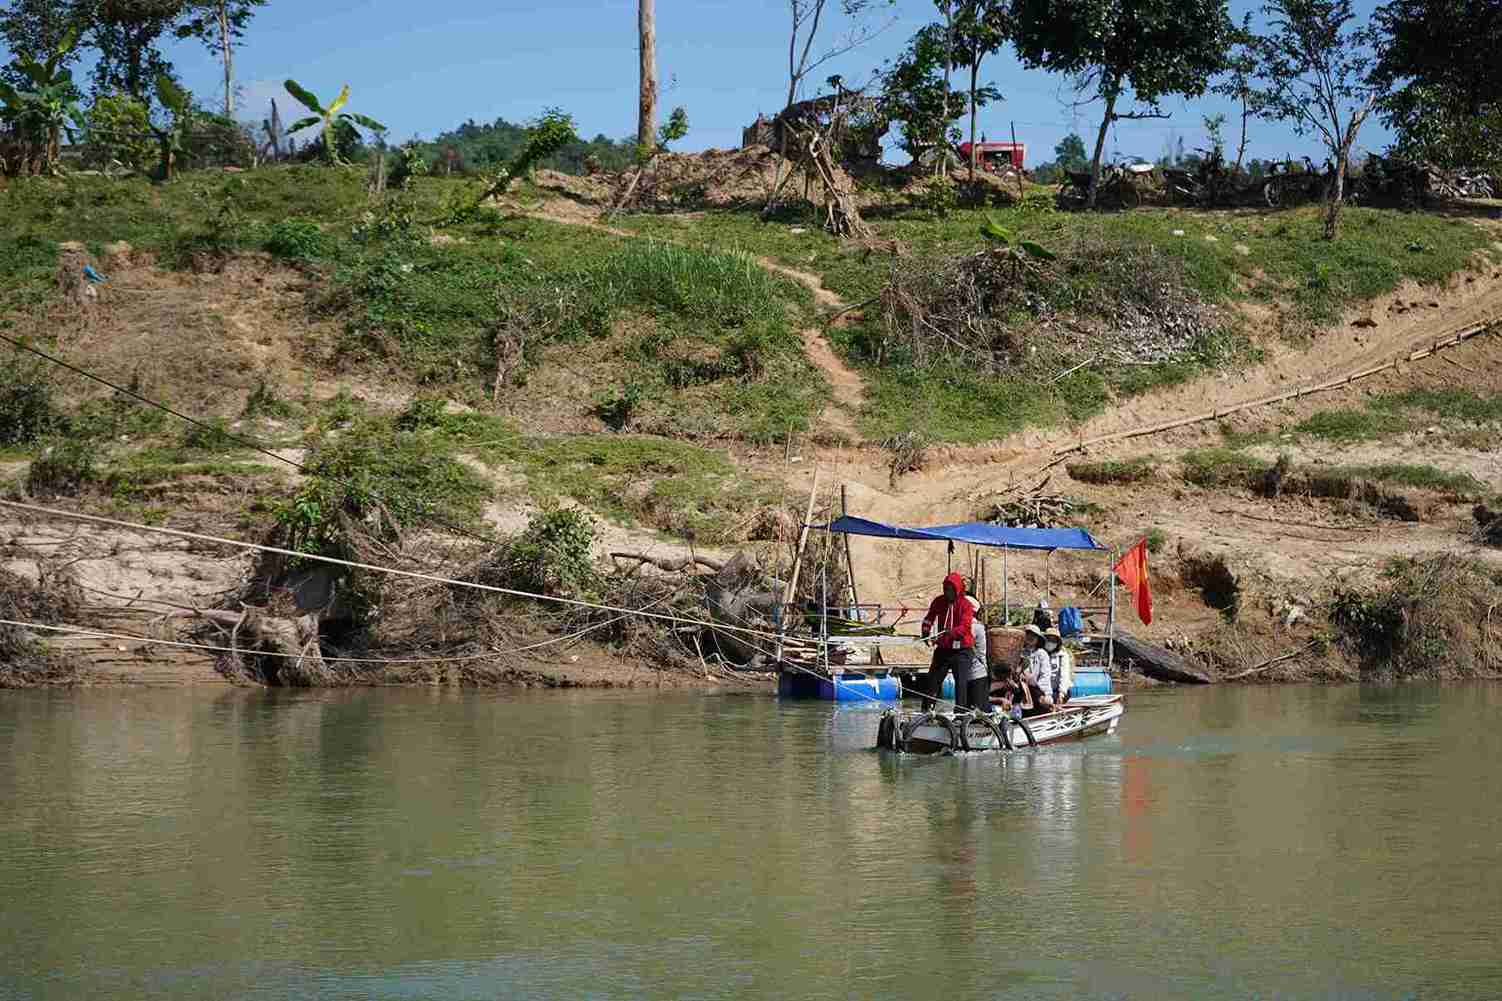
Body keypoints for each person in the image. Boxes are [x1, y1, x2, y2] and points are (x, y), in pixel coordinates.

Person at [919, 573, 975, 711]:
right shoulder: (939, 601)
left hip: (962, 650)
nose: (948, 592)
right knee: (933, 680)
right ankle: (926, 710)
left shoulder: (966, 605)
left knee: (961, 684)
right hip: (944, 648)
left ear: (957, 589)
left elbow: (965, 627)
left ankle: (960, 714)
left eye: (951, 589)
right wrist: (925, 631)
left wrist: (951, 632)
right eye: (946, 589)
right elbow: (929, 618)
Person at [1022, 624, 1054, 714]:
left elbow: (1045, 674)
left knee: (1045, 701)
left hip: (1038, 688)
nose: (1031, 637)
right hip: (1022, 687)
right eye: (1028, 634)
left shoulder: (1041, 653)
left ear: (1038, 639)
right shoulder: (1020, 652)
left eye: (1034, 636)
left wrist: (1040, 690)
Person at [1044, 627, 1073, 705]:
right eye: (1048, 639)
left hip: (1057, 691)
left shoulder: (1062, 656)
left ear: (1057, 642)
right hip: (1043, 691)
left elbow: (1064, 676)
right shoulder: (1040, 654)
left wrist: (1061, 693)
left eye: (1053, 640)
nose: (1050, 642)